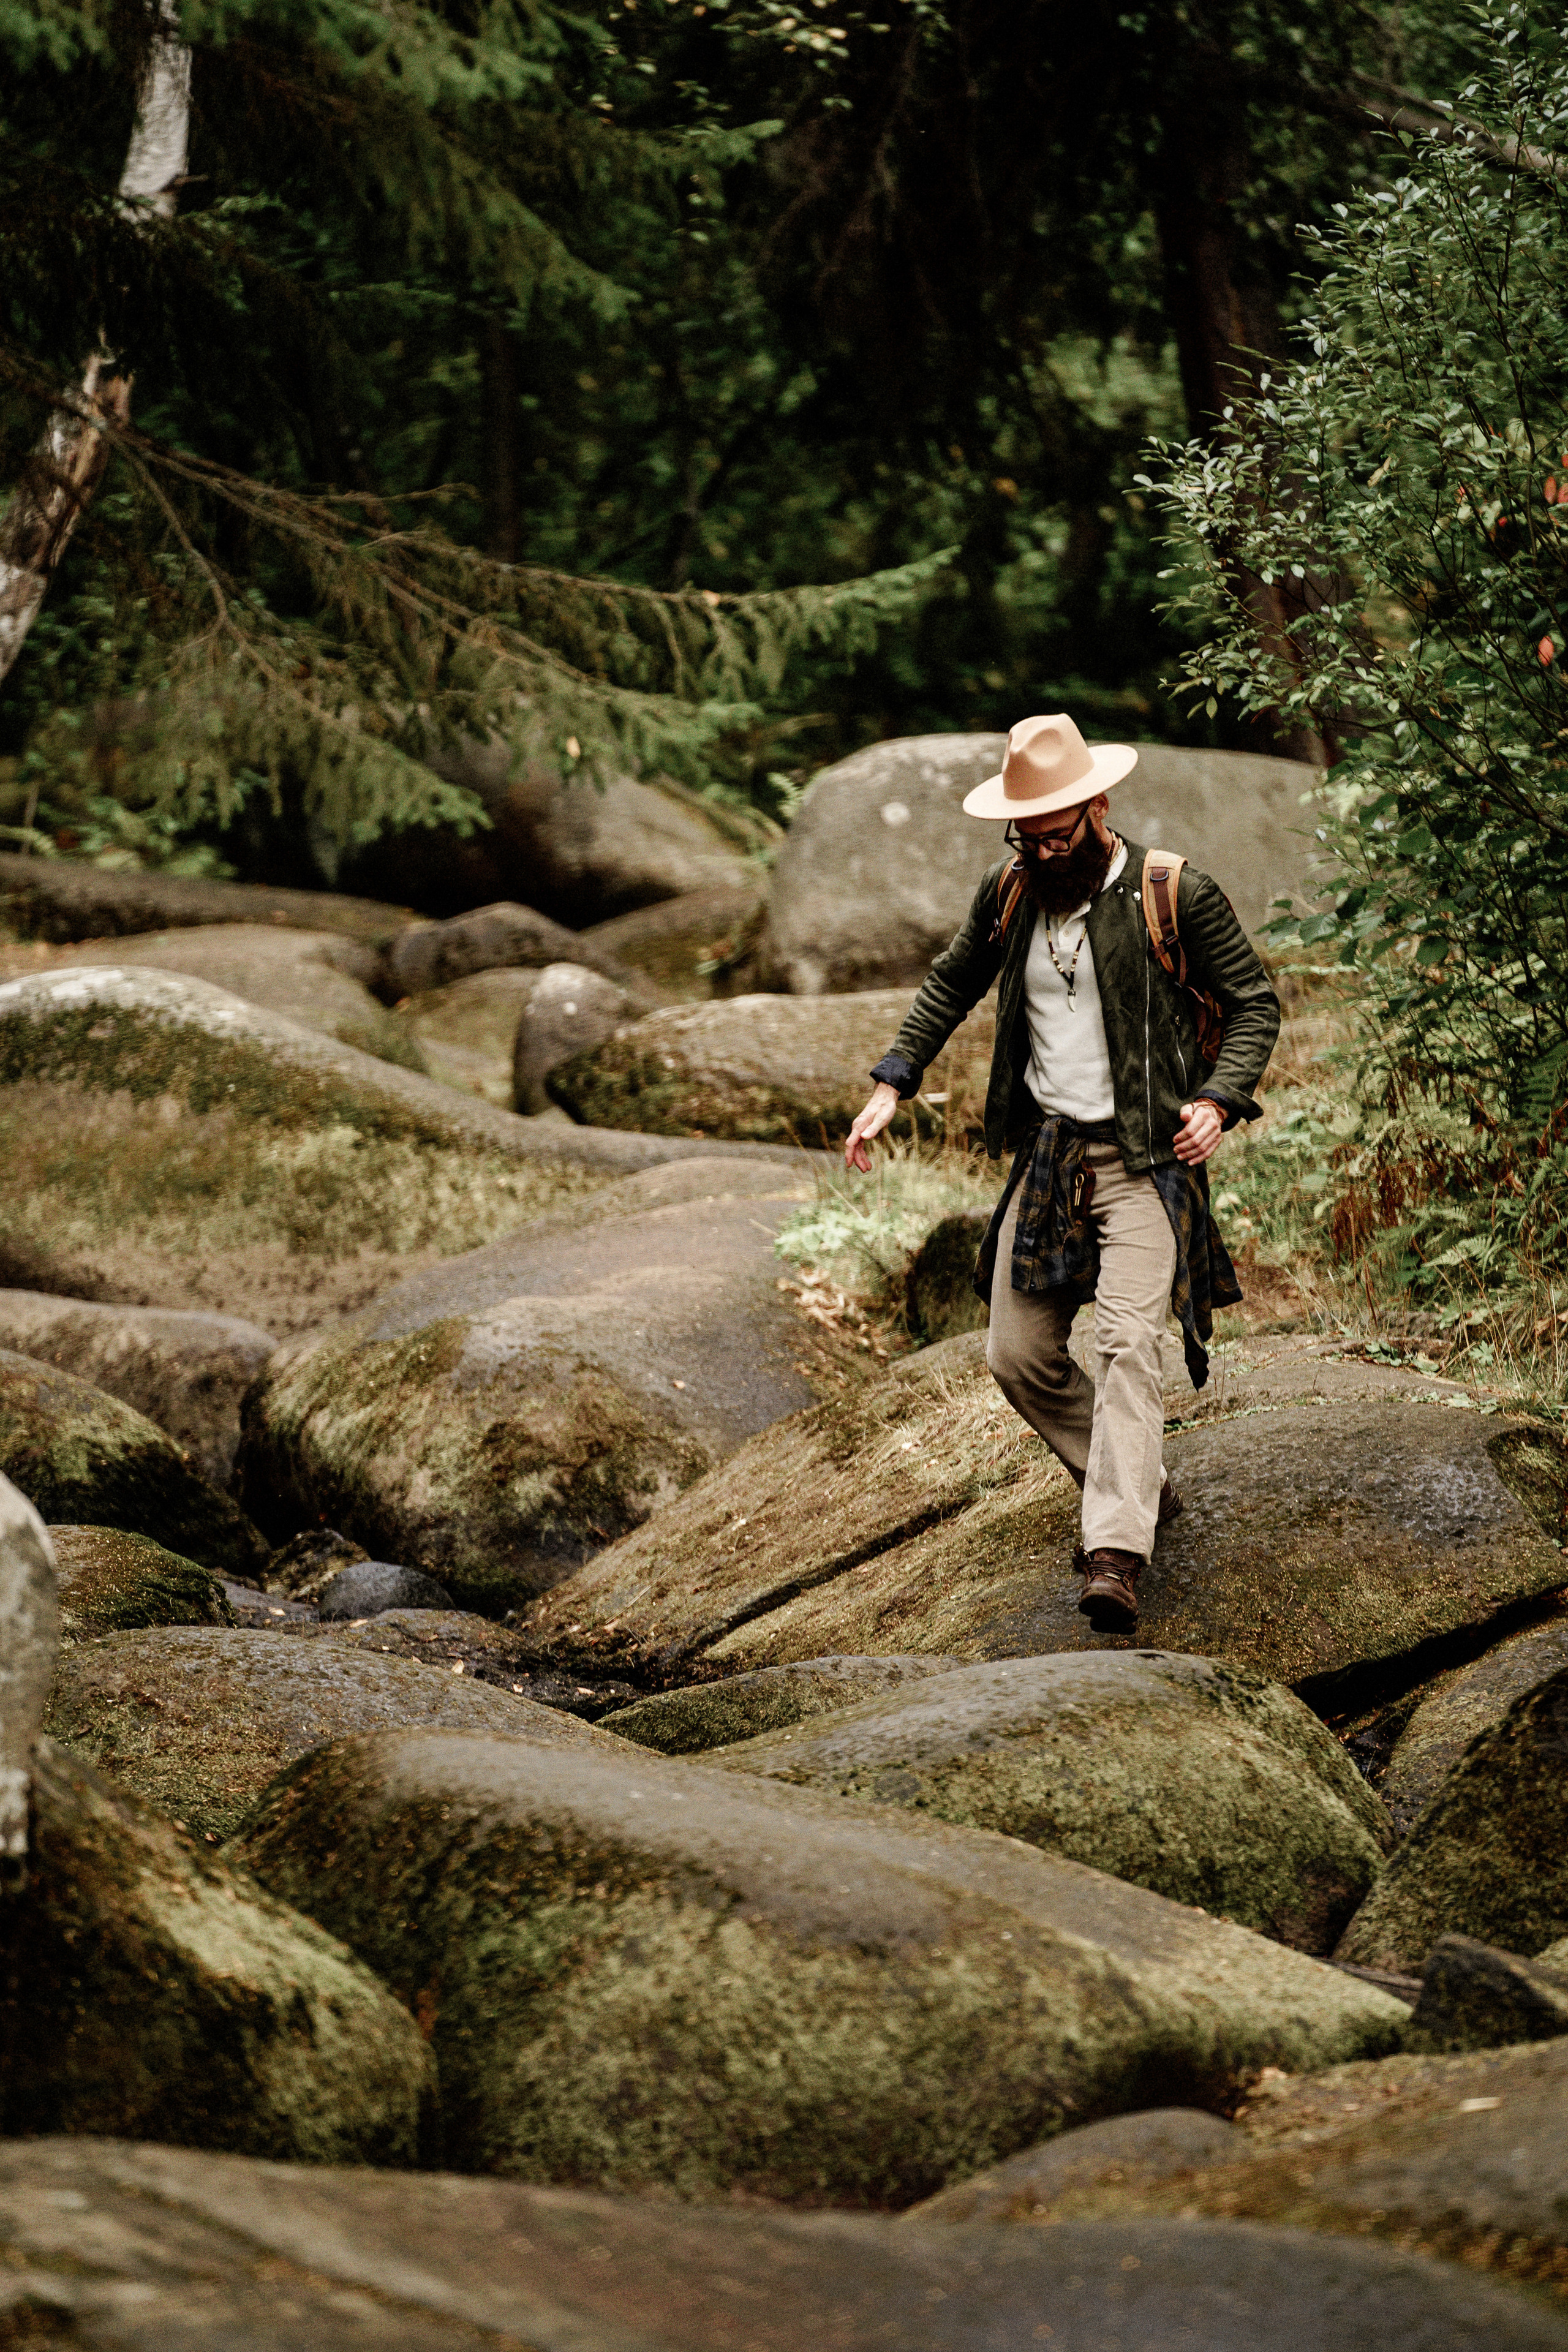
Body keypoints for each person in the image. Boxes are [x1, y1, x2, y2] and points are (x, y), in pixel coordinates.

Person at [843, 713, 1281, 1632]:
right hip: (1052, 1161)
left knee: (1129, 1344)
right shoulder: (1008, 894)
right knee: (1016, 1354)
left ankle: (1115, 1551)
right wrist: (892, 1083)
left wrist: (1217, 1100)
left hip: (1146, 1163)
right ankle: (1135, 1482)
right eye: (1027, 836)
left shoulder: (1173, 894)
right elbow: (948, 984)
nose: (1043, 850)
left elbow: (1254, 1005)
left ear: (1097, 808)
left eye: (1057, 832)